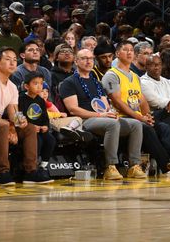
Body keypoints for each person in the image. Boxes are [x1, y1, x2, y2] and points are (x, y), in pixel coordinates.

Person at [103, 40, 170, 176]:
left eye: (131, 50)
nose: (129, 52)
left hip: (138, 118)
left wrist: (148, 116)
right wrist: (141, 118)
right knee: (147, 129)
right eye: (125, 50)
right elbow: (118, 103)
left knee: (162, 127)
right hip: (122, 118)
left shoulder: (135, 76)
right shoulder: (112, 74)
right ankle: (166, 168)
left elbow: (142, 101)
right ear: (117, 54)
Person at [59, 48, 144, 180]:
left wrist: (110, 112)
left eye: (91, 58)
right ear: (76, 61)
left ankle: (134, 165)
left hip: (102, 118)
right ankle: (110, 166)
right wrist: (100, 116)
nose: (88, 61)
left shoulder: (96, 82)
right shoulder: (69, 82)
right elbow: (73, 109)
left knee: (136, 124)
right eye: (84, 58)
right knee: (112, 124)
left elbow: (105, 105)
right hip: (83, 120)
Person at [0, 48, 52, 185]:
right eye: (8, 59)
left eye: (15, 60)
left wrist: (20, 123)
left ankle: (30, 172)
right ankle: (3, 172)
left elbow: (14, 114)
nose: (12, 62)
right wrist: (10, 126)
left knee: (29, 128)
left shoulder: (12, 87)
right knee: (4, 125)